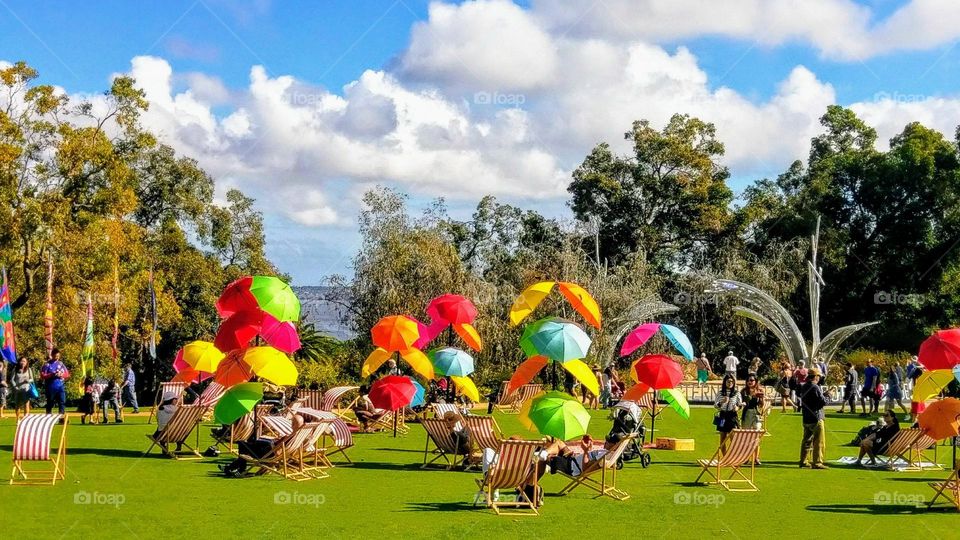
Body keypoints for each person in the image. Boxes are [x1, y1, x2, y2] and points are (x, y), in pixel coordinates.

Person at [222, 414, 306, 477]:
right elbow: (280, 444)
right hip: (277, 454)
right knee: (250, 445)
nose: (291, 423)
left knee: (242, 444)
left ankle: (237, 468)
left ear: (293, 424)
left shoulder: (290, 436)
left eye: (292, 422)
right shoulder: (299, 435)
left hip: (269, 453)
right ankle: (233, 467)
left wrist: (269, 442)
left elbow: (277, 446)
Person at [798, 368, 828, 469]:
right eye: (819, 376)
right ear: (816, 376)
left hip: (806, 418)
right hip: (816, 418)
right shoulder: (815, 387)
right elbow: (823, 402)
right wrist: (828, 395)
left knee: (806, 441)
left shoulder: (804, 386)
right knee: (819, 442)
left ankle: (803, 461)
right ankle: (817, 462)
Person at [714, 375, 742, 454]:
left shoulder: (736, 393)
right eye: (728, 381)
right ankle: (724, 456)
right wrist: (721, 402)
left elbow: (739, 404)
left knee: (733, 437)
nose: (730, 383)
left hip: (732, 416)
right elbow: (716, 405)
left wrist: (737, 408)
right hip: (722, 416)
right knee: (722, 437)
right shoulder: (720, 393)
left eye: (732, 382)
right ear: (725, 382)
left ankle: (732, 456)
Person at [740, 374, 765, 464]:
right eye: (748, 380)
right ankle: (746, 458)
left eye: (752, 380)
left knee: (756, 435)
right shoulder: (744, 391)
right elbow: (742, 403)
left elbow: (762, 405)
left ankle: (756, 458)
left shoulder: (760, 390)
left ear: (756, 381)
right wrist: (751, 396)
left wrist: (761, 398)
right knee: (746, 436)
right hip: (747, 414)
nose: (750, 382)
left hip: (756, 414)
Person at [40, 349, 69, 415]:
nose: (57, 358)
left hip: (60, 386)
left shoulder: (61, 364)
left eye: (58, 356)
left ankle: (61, 417)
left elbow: (67, 374)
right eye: (55, 356)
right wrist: (52, 374)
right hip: (50, 387)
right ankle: (48, 417)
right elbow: (42, 375)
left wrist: (61, 374)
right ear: (52, 355)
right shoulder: (47, 364)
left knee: (62, 402)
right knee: (50, 402)